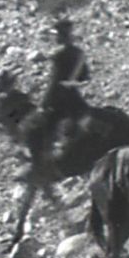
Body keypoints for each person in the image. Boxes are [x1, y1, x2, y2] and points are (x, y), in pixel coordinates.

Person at [38, 18, 91, 165]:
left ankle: (44, 166)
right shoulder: (79, 53)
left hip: (59, 99)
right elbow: (85, 76)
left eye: (55, 35)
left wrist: (43, 103)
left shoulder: (58, 55)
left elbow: (53, 82)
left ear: (60, 36)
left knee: (41, 129)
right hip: (76, 98)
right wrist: (72, 83)